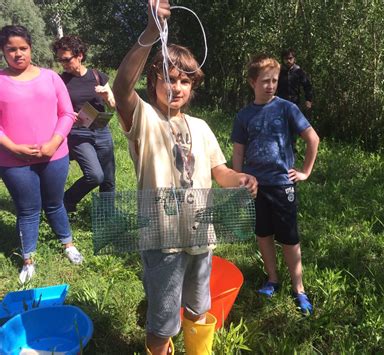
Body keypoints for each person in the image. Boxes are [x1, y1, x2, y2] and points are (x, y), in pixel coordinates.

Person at [112, 1, 258, 354]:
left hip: (201, 237)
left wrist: (239, 178)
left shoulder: (202, 127)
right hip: (163, 241)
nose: (176, 87)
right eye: (169, 78)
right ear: (154, 81)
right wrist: (150, 33)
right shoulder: (145, 120)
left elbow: (218, 170)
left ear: (192, 87)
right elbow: (119, 89)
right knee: (162, 322)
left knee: (199, 308)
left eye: (184, 81)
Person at [231, 54, 319, 315]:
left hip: (282, 185)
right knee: (263, 233)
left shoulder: (287, 109)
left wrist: (305, 171)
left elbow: (312, 138)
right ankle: (272, 279)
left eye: (274, 80)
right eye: (265, 81)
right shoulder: (244, 115)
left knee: (289, 238)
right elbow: (238, 152)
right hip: (256, 186)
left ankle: (298, 288)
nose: (270, 85)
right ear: (252, 82)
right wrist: (239, 180)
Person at [0, 25, 83, 284]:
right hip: (13, 161)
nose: (18, 54)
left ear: (31, 48)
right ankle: (28, 259)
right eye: (11, 49)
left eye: (23, 48)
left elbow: (67, 113)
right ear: (3, 51)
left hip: (54, 156)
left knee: (55, 203)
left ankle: (68, 244)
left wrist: (53, 143)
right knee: (27, 210)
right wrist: (13, 148)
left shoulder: (50, 77)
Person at [52, 35, 116, 213]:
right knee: (95, 175)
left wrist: (107, 97)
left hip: (102, 131)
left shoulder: (98, 76)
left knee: (108, 179)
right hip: (78, 133)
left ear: (79, 55)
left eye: (66, 59)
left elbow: (114, 105)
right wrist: (68, 116)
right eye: (60, 60)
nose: (63, 64)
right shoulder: (61, 81)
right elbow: (54, 108)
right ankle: (67, 200)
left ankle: (107, 215)